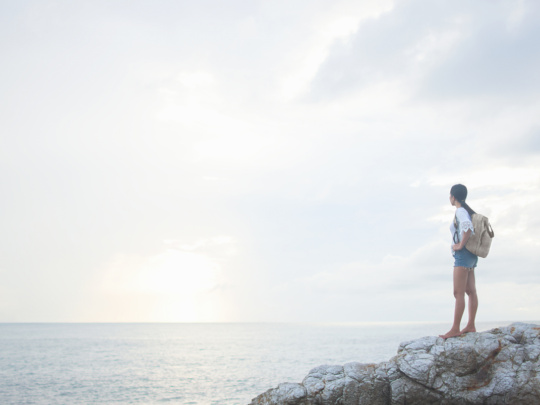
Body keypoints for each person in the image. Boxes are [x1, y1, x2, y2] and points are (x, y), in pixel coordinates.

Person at [439, 184, 479, 339]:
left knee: (458, 292)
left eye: (450, 196)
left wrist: (460, 245)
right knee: (471, 291)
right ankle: (471, 325)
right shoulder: (467, 210)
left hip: (463, 254)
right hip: (471, 254)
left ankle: (455, 328)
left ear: (453, 197)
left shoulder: (460, 211)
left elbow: (468, 228)